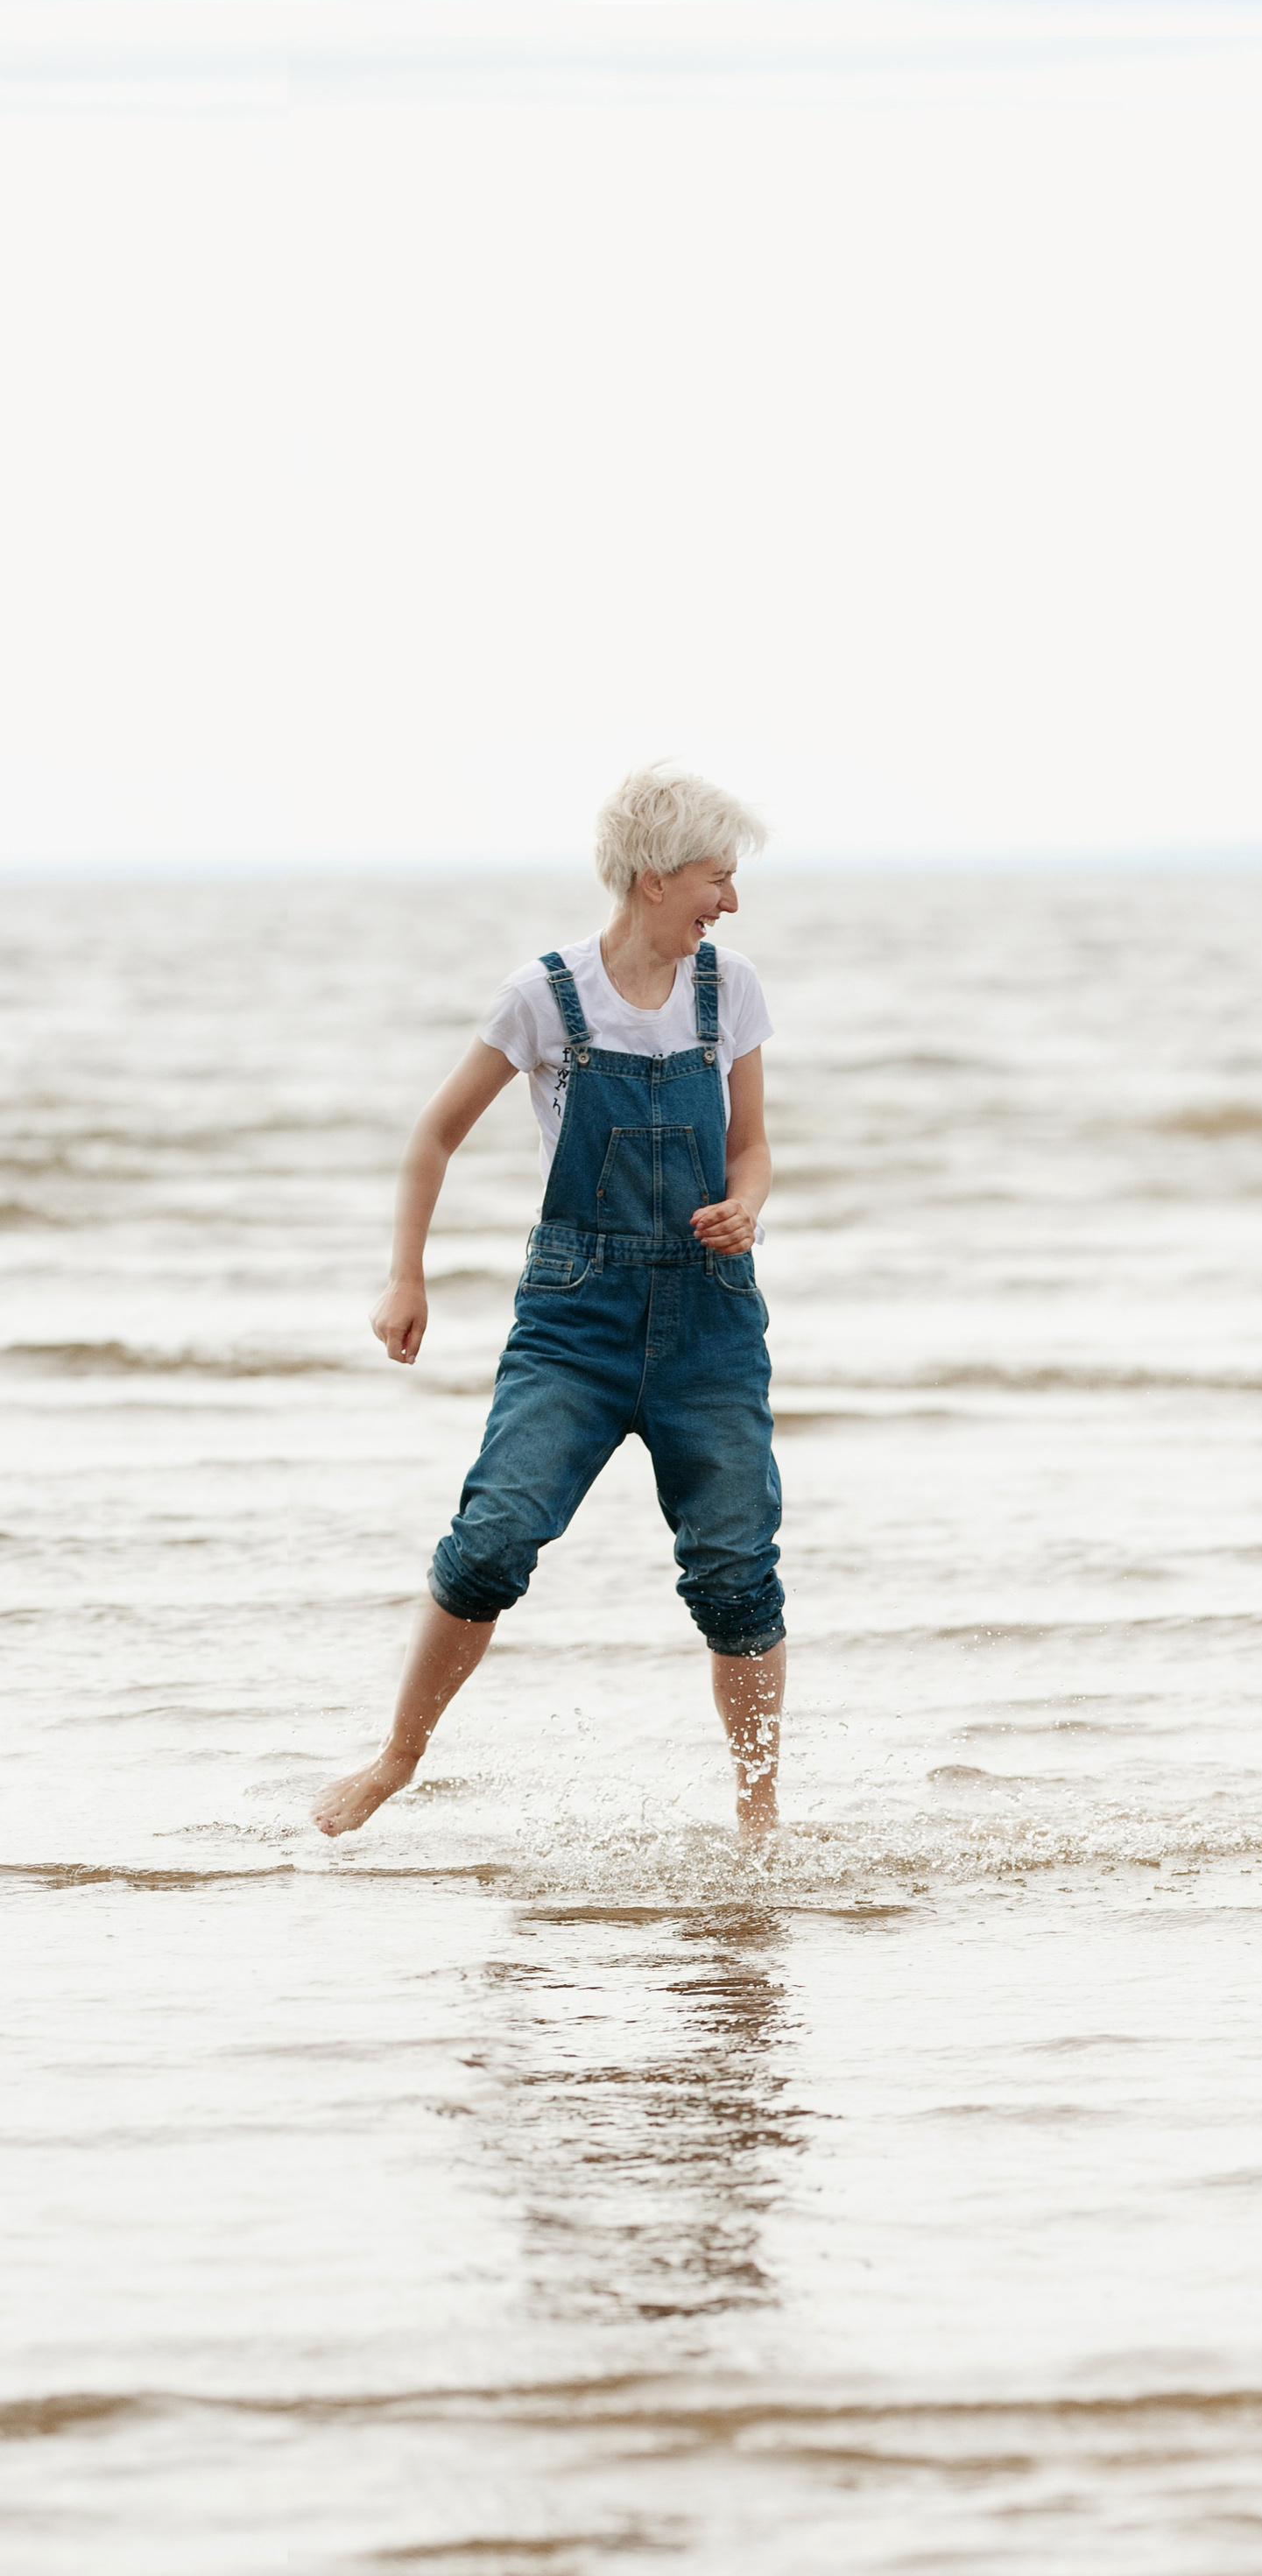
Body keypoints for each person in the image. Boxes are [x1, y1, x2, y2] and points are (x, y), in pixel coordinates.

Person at [314, 761, 786, 1841]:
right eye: (719, 876)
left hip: (711, 1316)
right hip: (575, 1318)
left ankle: (758, 1817)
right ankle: (397, 1759)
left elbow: (751, 1146)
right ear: (659, 876)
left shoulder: (732, 988)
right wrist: (406, 1274)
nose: (731, 900)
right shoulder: (543, 997)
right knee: (491, 1540)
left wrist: (745, 1207)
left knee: (734, 1565)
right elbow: (433, 1135)